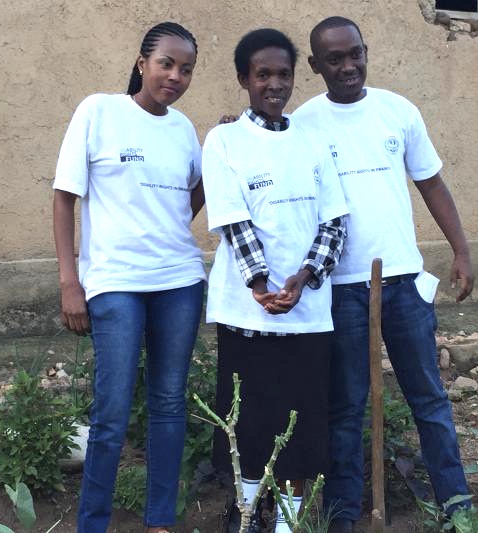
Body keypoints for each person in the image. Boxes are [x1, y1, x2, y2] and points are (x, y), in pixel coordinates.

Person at [293, 16, 475, 533]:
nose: (348, 66)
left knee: (429, 397)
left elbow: (432, 185)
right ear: (315, 66)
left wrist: (460, 250)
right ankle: (344, 513)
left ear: (366, 52)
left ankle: (455, 503)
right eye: (334, 59)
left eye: (355, 54)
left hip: (403, 284)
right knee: (346, 405)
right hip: (343, 287)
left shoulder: (398, 112)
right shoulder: (305, 123)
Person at [52, 22, 205, 533]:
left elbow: (196, 192)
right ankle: (92, 523)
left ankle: (159, 519)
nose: (175, 76)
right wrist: (70, 281)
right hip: (114, 283)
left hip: (179, 281)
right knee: (112, 409)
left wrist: (166, 225)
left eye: (186, 69)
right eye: (166, 63)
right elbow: (64, 196)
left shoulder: (183, 128)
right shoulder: (99, 111)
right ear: (142, 63)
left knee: (167, 402)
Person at [202, 28, 349, 533]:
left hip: (308, 313)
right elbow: (232, 220)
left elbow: (335, 221)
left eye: (283, 74)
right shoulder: (224, 140)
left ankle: (288, 519)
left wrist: (305, 277)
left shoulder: (314, 141)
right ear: (244, 78)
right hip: (247, 309)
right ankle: (247, 512)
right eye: (262, 74)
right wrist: (261, 284)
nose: (274, 83)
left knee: (301, 418)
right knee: (250, 416)